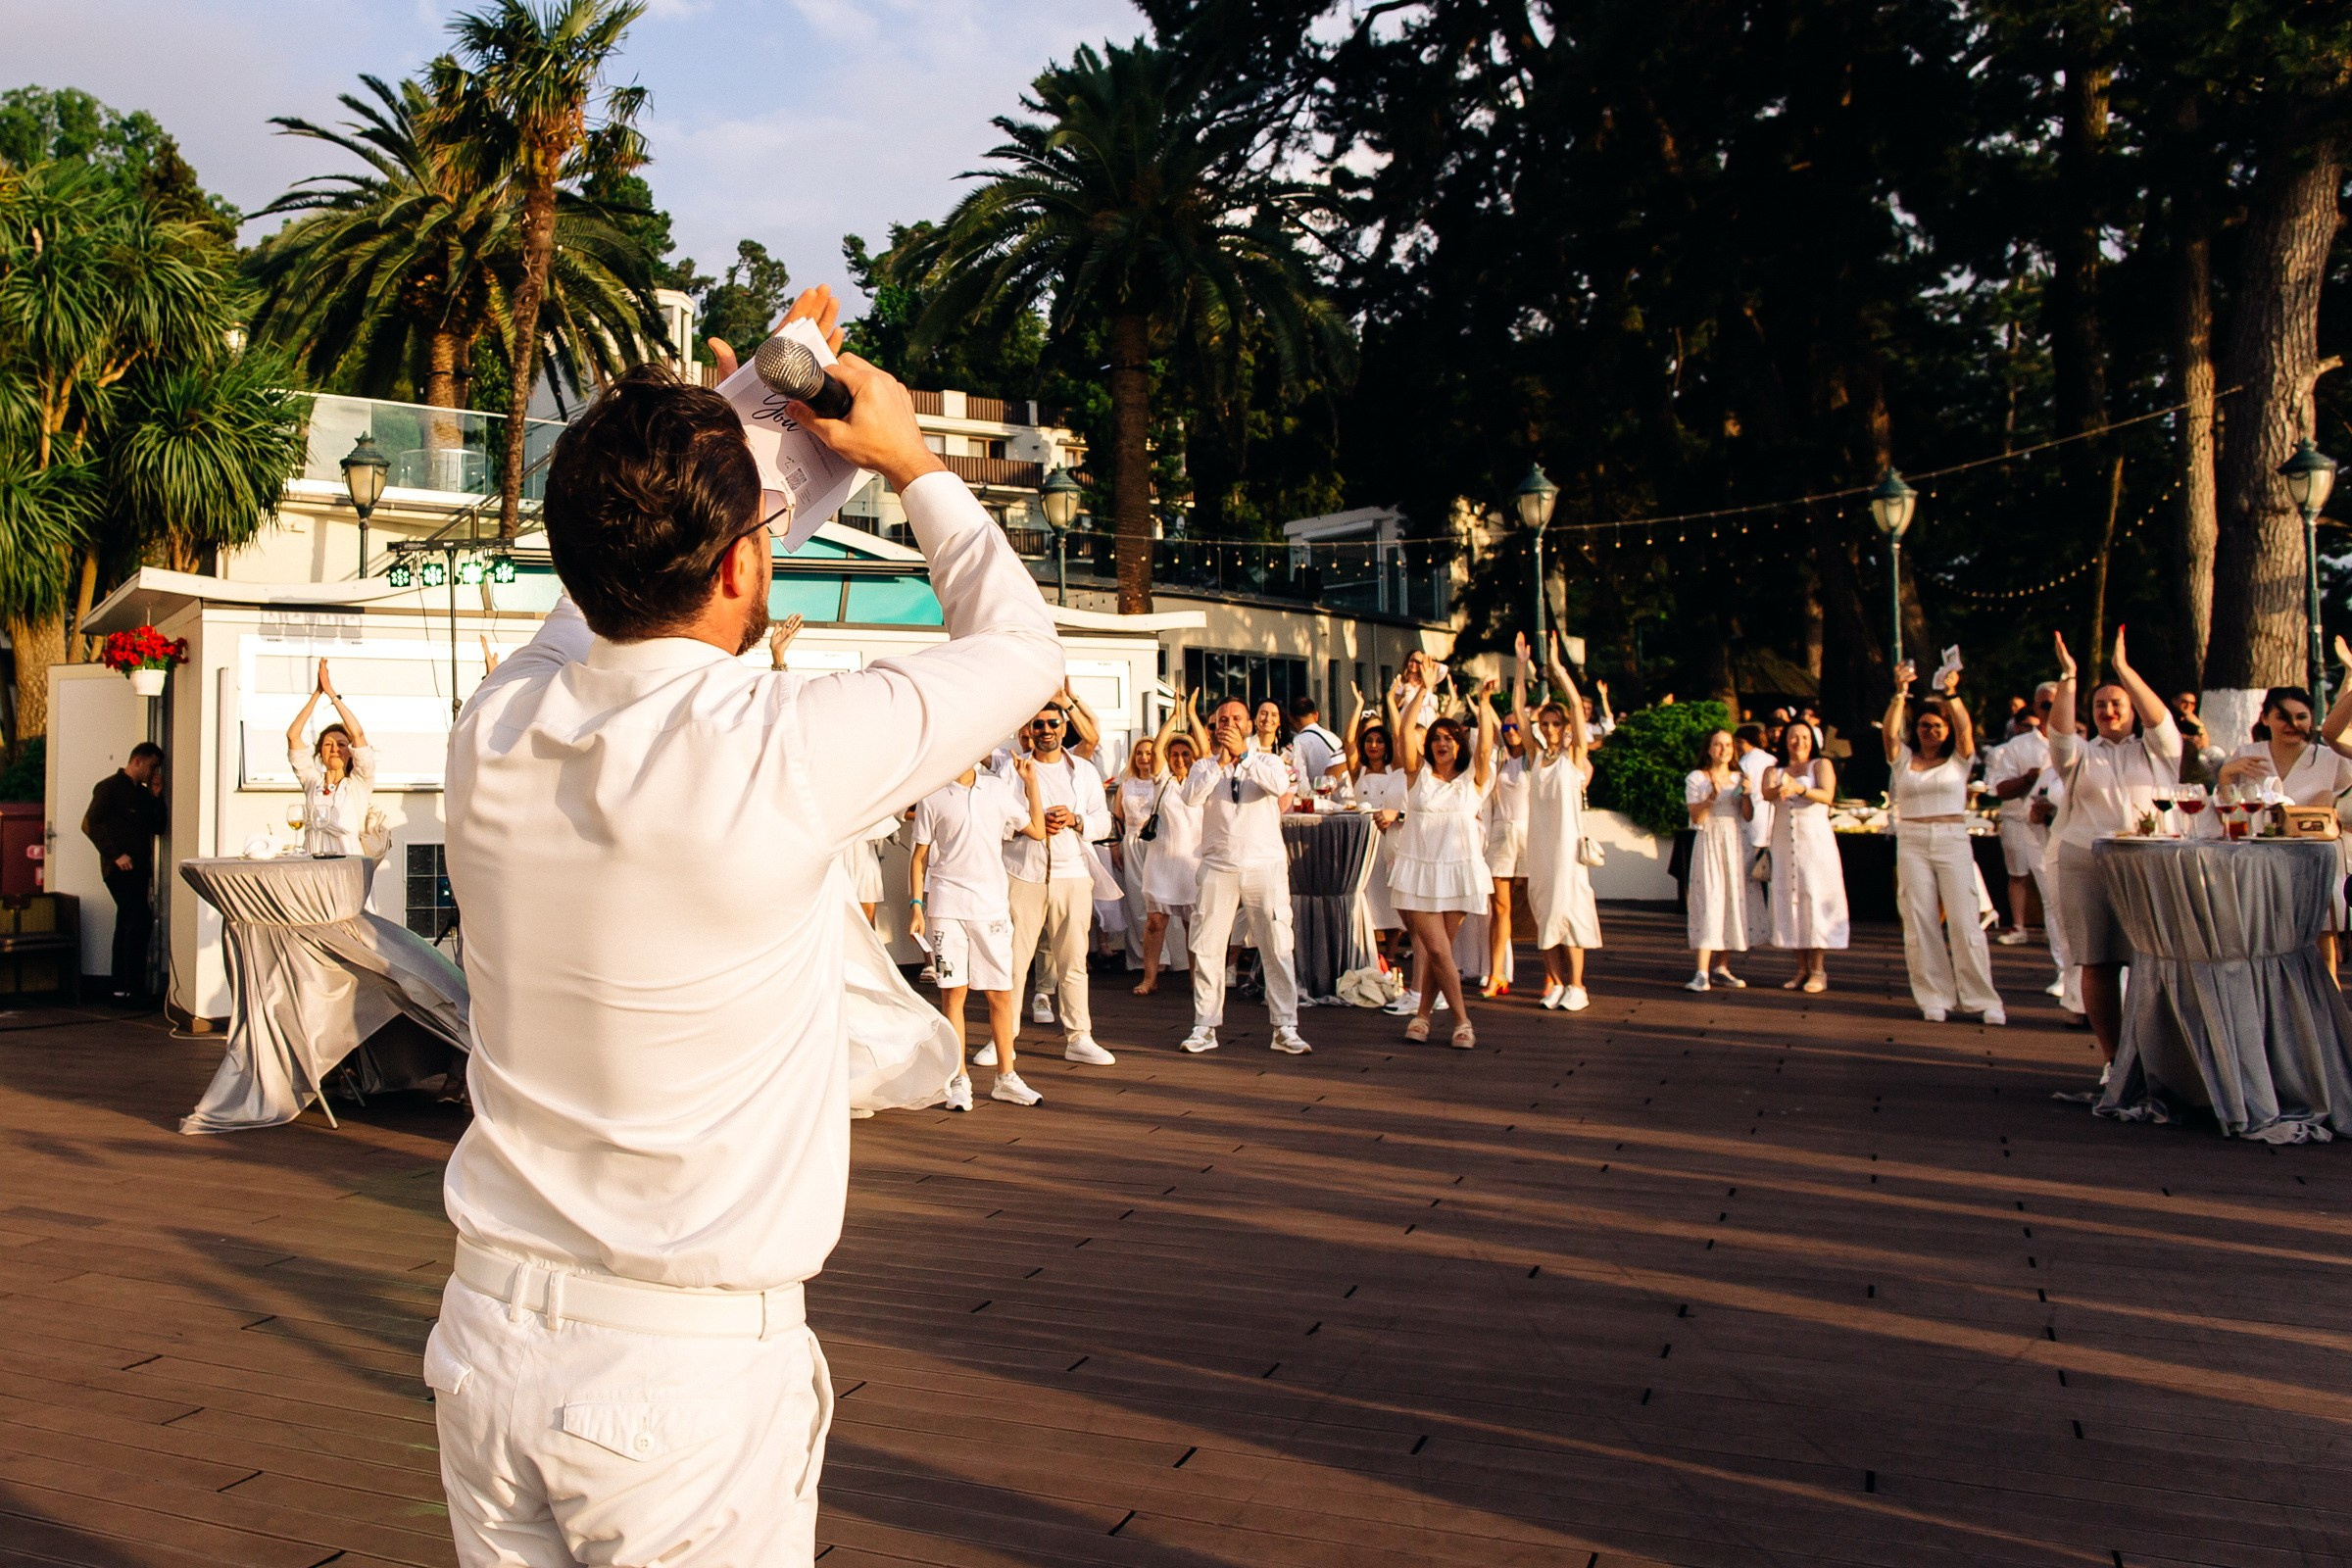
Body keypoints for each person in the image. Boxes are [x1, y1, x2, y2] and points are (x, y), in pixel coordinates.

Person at [429, 339, 1063, 1563]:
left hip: (487, 1340)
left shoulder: (497, 723)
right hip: (677, 1384)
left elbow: (607, 575)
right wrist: (909, 460)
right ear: (738, 563)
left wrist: (739, 423)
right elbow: (1022, 648)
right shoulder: (777, 748)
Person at [2047, 627, 2178, 1079]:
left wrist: (2124, 671)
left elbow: (2161, 722)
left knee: (2156, 960)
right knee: (2097, 960)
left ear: (2132, 711)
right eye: (2100, 705)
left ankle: (2158, 1057)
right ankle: (2114, 1060)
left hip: (2148, 864)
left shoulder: (2159, 752)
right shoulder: (2081, 756)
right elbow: (2061, 735)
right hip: (2086, 860)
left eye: (2116, 703)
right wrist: (2069, 677)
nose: (2108, 711)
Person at [910, 756, 1049, 1108]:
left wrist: (1030, 782)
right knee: (953, 994)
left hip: (991, 908)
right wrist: (916, 905)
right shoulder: (932, 794)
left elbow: (1037, 829)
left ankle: (1007, 1077)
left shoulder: (997, 789)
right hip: (946, 908)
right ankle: (959, 1079)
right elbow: (919, 857)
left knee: (1000, 994)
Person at [1178, 698, 1311, 1055]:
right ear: (1214, 725)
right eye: (1224, 719)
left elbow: (1278, 785)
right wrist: (1222, 761)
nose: (1231, 725)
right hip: (1218, 865)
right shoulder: (1204, 765)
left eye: (1238, 719)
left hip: (1264, 865)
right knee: (1207, 947)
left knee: (1277, 945)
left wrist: (1245, 758)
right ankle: (1204, 1025)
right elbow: (1190, 797)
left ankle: (1285, 1026)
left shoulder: (1268, 760)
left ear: (1250, 725)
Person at [1884, 659, 2001, 1025]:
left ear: (1946, 731)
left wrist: (1951, 694)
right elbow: (1889, 734)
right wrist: (1900, 694)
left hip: (1952, 838)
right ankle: (1933, 995)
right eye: (1923, 725)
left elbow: (1966, 731)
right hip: (1913, 838)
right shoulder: (1903, 760)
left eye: (1936, 726)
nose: (1929, 731)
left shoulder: (1959, 761)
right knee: (1920, 922)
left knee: (1966, 921)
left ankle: (1983, 998)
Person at [998, 699, 1115, 1065]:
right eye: (1038, 725)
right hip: (1024, 873)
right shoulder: (1012, 770)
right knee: (1015, 962)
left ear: (1064, 728)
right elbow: (999, 818)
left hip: (1073, 874)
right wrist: (1031, 824)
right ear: (1027, 731)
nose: (1046, 730)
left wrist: (1075, 819)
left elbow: (1104, 822)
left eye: (1052, 724)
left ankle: (1079, 1036)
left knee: (1073, 960)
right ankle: (1005, 1038)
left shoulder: (1082, 770)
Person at [1386, 672, 1496, 1046]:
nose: (1440, 744)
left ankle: (1421, 1017)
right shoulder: (1418, 775)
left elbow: (1485, 749)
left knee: (1440, 953)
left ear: (1460, 743)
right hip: (1418, 868)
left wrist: (1482, 705)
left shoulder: (1474, 779)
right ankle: (1463, 1021)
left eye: (1448, 738)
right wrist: (1423, 690)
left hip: (1459, 869)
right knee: (1435, 948)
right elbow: (1403, 731)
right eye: (1435, 738)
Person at [2232, 669, 2352, 980]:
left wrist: (2332, 804)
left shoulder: (2329, 758)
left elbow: (2345, 814)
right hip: (2261, 865)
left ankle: (2327, 1026)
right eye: (2283, 716)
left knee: (2323, 962)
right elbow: (2226, 814)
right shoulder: (2247, 756)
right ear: (2266, 719)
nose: (2292, 724)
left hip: (2316, 866)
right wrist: (2224, 776)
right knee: (2264, 958)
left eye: (2301, 717)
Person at [1515, 633, 1601, 1009]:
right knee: (1545, 910)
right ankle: (1554, 982)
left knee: (1572, 910)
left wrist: (1559, 669)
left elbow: (1578, 714)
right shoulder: (1535, 757)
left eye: (1555, 724)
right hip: (1540, 847)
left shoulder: (1574, 755)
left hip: (1569, 849)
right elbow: (1520, 711)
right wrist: (1520, 666)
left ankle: (1577, 985)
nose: (1549, 729)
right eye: (1544, 724)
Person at [1758, 717, 1847, 991]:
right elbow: (1766, 794)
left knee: (1814, 897)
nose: (1799, 742)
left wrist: (1800, 788)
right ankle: (1800, 968)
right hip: (1785, 842)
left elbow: (1828, 794)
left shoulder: (1820, 765)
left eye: (1805, 737)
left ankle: (1818, 969)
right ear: (1785, 740)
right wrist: (1779, 787)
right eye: (1794, 737)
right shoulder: (1774, 769)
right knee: (1789, 899)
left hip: (1815, 842)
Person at [81, 742, 167, 1003]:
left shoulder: (141, 794)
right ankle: (129, 986)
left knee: (129, 920)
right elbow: (89, 823)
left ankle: (123, 986)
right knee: (136, 917)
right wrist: (114, 854)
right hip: (119, 868)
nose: (153, 772)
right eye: (152, 766)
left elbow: (158, 827)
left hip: (139, 867)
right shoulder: (109, 787)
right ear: (138, 761)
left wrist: (155, 796)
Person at [1134, 693, 1207, 996]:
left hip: (1191, 862)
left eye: (1184, 755)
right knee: (1155, 922)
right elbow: (1161, 747)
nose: (1179, 759)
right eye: (1175, 754)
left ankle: (1195, 978)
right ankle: (1149, 978)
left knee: (1194, 925)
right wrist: (1173, 716)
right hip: (1162, 860)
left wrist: (1191, 714)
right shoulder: (1162, 780)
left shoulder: (1202, 780)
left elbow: (1204, 749)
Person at [1336, 687, 1408, 969]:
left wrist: (1391, 703)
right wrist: (1359, 705)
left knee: (1390, 900)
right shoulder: (1358, 770)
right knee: (1364, 899)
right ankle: (1367, 953)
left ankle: (1390, 954)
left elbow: (1403, 737)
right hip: (1363, 842)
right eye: (1370, 741)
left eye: (1379, 741)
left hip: (1388, 840)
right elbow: (1348, 740)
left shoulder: (1397, 768)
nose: (1374, 746)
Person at [1984, 683, 2057, 946]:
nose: (2052, 710)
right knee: (2032, 883)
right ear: (2036, 708)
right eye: (2046, 705)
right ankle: (2019, 926)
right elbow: (2000, 788)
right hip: (2026, 822)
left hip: (2069, 827)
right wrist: (2027, 779)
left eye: (2058, 703)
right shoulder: (2018, 746)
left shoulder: (2082, 743)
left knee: (2061, 897)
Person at [285, 659, 375, 857]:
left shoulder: (358, 783)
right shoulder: (312, 782)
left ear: (350, 753)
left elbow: (358, 735)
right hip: (313, 867)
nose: (335, 749)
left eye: (341, 744)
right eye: (328, 744)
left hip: (347, 865)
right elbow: (293, 735)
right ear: (320, 752)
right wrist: (317, 693)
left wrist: (332, 694)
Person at [1683, 728, 1750, 991]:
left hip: (1733, 841)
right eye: (1718, 745)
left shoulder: (1740, 777)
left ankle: (1722, 966)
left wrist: (1746, 794)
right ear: (1709, 749)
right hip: (1709, 840)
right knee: (1709, 899)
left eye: (1728, 745)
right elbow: (1696, 817)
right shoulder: (1697, 778)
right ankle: (1701, 970)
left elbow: (1747, 815)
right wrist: (1711, 795)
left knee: (1731, 899)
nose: (1723, 750)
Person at [1480, 688, 1531, 998]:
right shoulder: (1499, 760)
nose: (1511, 731)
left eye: (1516, 726)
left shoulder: (1533, 760)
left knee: (1539, 905)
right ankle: (1496, 973)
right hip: (1500, 835)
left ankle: (1553, 978)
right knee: (1500, 907)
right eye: (1507, 727)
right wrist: (1484, 704)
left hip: (1529, 834)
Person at [1110, 730, 1162, 973]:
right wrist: (1114, 847)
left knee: (1158, 900)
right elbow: (1117, 819)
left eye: (1149, 753)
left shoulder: (1162, 783)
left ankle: (1163, 958)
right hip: (1131, 843)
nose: (1144, 757)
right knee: (1135, 899)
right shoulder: (1126, 784)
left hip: (1156, 843)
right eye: (1139, 753)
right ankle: (1139, 958)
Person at [1734, 721, 1775, 936]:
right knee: (1768, 871)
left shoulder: (1744, 763)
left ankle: (1751, 919)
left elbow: (1737, 792)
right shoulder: (1772, 760)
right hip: (1771, 818)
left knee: (1750, 873)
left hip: (1750, 818)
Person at [1288, 695, 1343, 805]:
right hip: (1346, 800)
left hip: (1324, 804)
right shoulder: (1334, 737)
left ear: (1291, 718)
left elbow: (1301, 782)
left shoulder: (1298, 742)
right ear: (1316, 715)